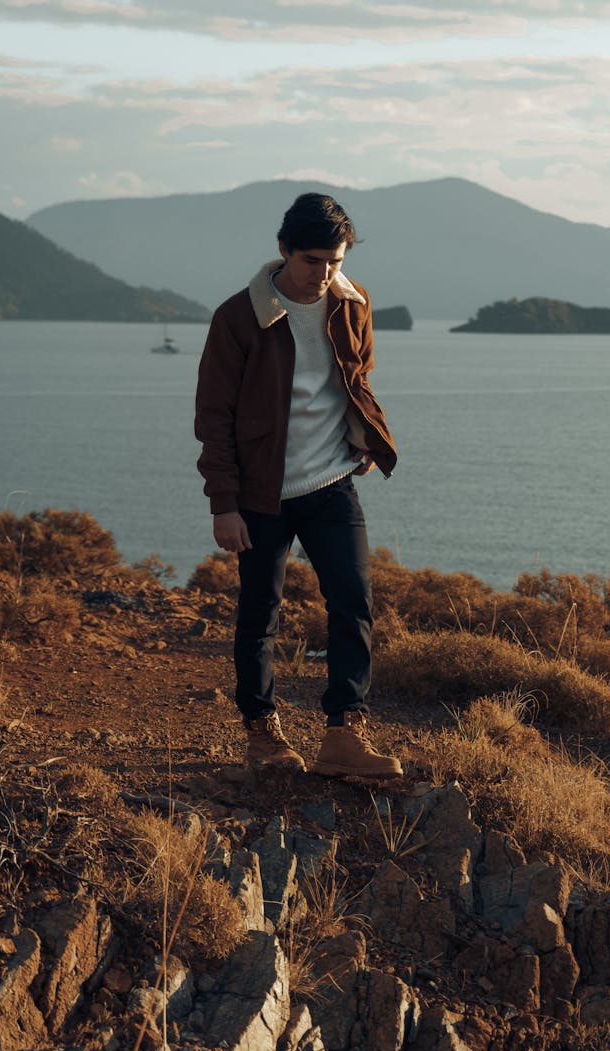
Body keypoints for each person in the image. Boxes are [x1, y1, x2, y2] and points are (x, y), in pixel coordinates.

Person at [194, 192, 402, 779]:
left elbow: (356, 376)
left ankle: (343, 733)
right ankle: (262, 731)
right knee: (261, 611)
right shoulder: (238, 318)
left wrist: (363, 434)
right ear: (283, 250)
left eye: (336, 261)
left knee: (354, 602)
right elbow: (214, 416)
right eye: (314, 261)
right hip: (262, 495)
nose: (326, 274)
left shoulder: (350, 304)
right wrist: (224, 504)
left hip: (332, 481)